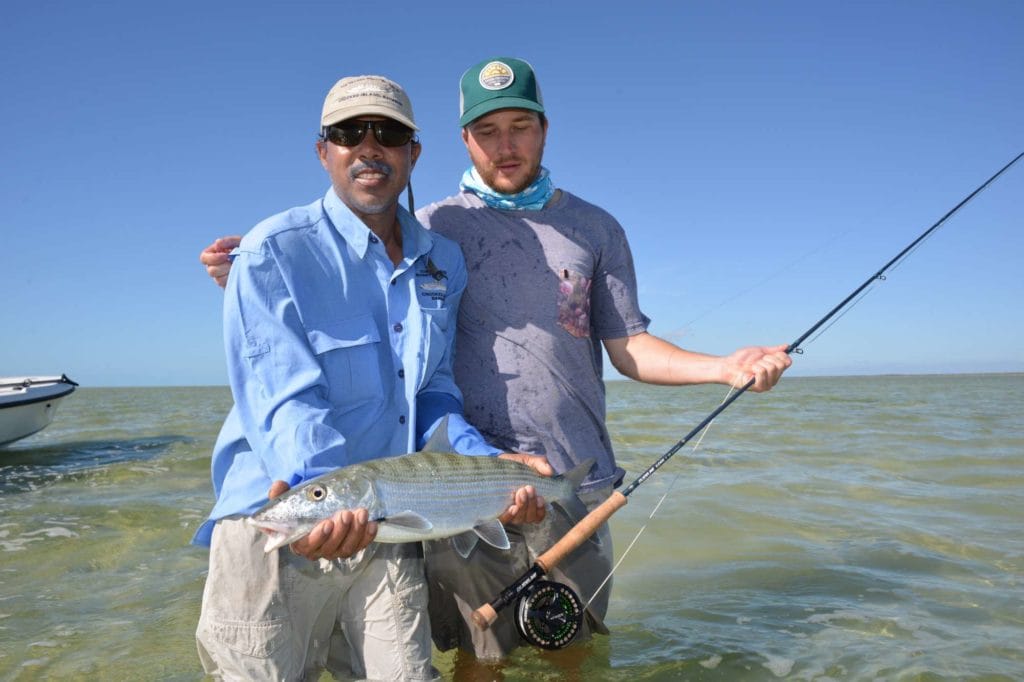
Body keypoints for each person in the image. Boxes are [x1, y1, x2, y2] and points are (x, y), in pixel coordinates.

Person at [200, 57, 791, 662]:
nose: (504, 146)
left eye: (520, 127)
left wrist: (724, 367)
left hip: (563, 481)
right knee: (477, 661)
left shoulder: (574, 230)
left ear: (544, 128)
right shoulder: (436, 230)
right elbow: (320, 344)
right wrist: (252, 273)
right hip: (442, 499)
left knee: (573, 653)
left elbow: (628, 347)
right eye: (486, 131)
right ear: (462, 140)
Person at [192, 73, 549, 680]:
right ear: (322, 150)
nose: (368, 146)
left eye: (387, 133)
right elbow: (285, 402)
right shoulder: (270, 251)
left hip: (390, 525)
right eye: (348, 132)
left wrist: (489, 464)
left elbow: (436, 390)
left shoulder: (444, 261)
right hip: (281, 522)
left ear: (414, 152)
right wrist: (321, 505)